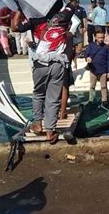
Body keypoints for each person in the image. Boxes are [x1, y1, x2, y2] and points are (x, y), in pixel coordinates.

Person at [30, 9, 73, 144]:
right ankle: (50, 131)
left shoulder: (44, 31)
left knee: (38, 94)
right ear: (68, 25)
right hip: (57, 64)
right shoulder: (68, 34)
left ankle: (37, 124)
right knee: (53, 98)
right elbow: (70, 53)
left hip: (40, 63)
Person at [85, 29, 109, 108]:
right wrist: (87, 58)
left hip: (103, 70)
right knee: (92, 86)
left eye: (102, 37)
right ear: (95, 37)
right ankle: (91, 100)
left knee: (104, 86)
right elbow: (86, 54)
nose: (101, 39)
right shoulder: (91, 45)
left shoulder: (106, 47)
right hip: (93, 70)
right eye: (99, 37)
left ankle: (104, 100)